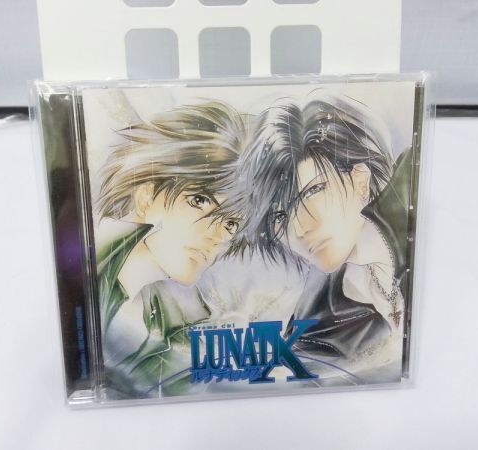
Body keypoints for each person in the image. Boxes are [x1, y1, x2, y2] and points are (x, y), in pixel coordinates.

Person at [236, 95, 416, 370]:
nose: (299, 229)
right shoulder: (317, 318)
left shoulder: (413, 187)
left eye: (312, 191)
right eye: (281, 217)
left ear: (360, 180)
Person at [94, 101, 250, 397]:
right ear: (146, 197)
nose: (216, 236)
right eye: (200, 201)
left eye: (231, 223)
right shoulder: (90, 274)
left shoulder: (173, 320)